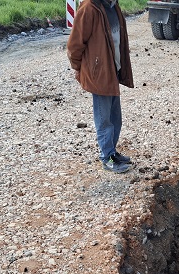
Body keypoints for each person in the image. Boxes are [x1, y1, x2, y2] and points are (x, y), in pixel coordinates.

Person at [67, 0, 134, 173]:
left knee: (115, 119)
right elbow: (75, 44)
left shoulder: (113, 6)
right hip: (99, 74)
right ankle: (107, 157)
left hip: (112, 71)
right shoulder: (89, 8)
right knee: (104, 120)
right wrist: (81, 68)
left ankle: (112, 152)